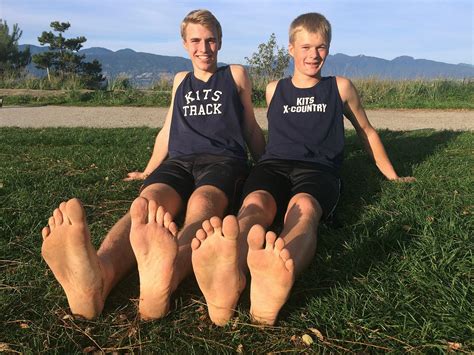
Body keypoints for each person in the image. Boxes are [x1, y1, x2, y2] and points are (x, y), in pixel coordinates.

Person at [40, 9, 265, 323]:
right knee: (145, 206)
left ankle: (165, 279)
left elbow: (251, 128)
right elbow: (166, 129)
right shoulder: (180, 81)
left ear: (220, 42)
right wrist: (148, 171)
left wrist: (266, 165)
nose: (204, 48)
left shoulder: (236, 75)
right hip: (179, 161)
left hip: (223, 161)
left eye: (211, 40)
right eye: (196, 40)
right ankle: (97, 277)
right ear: (185, 44)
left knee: (202, 203)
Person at [193, 12, 415, 326]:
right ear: (291, 49)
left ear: (328, 48)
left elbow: (367, 131)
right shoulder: (274, 89)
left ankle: (277, 275)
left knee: (305, 209)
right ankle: (229, 272)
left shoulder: (339, 87)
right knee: (254, 205)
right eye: (306, 47)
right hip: (274, 165)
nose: (314, 55)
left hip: (318, 170)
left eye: (321, 47)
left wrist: (392, 175)